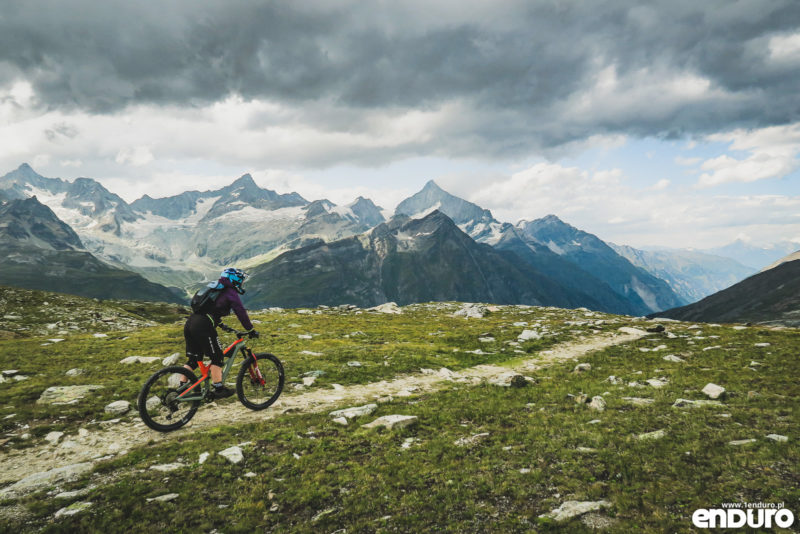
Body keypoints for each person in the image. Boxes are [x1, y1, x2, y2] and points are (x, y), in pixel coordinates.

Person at [181, 268, 259, 398]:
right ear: (235, 279)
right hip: (203, 325)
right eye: (241, 280)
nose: (242, 283)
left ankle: (181, 389)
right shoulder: (230, 291)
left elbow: (209, 309)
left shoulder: (215, 287)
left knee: (193, 360)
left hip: (191, 322)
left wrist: (221, 324)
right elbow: (240, 311)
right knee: (217, 357)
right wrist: (250, 329)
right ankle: (218, 388)